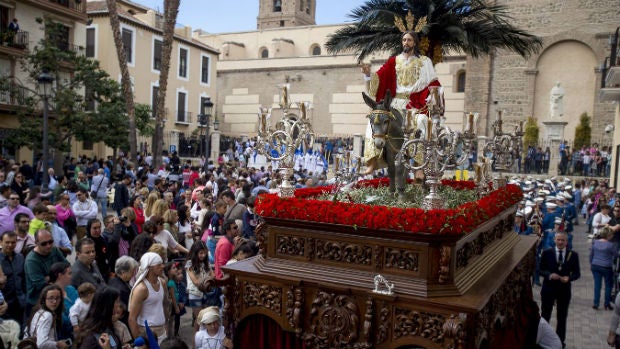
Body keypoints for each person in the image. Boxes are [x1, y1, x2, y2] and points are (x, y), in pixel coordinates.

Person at [361, 30, 441, 173]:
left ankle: (419, 167)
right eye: (404, 40)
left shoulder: (424, 62)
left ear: (414, 42)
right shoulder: (394, 61)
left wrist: (432, 97)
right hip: (394, 104)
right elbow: (378, 79)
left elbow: (433, 83)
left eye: (409, 40)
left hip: (414, 105)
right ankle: (372, 161)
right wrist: (368, 75)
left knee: (422, 120)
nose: (406, 42)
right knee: (373, 120)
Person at [539, 230, 580, 348]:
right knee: (545, 316)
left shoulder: (573, 255)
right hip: (548, 289)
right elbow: (540, 269)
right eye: (558, 239)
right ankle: (542, 341)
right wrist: (549, 275)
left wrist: (569, 278)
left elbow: (577, 273)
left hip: (564, 291)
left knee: (562, 318)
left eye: (563, 240)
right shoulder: (547, 253)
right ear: (554, 240)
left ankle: (560, 342)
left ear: (567, 242)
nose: (560, 242)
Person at [25, 229, 68, 318]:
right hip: (38, 301)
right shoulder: (31, 261)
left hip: (56, 296)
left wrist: (48, 277)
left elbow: (67, 266)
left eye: (50, 242)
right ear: (36, 242)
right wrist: (57, 275)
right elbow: (40, 284)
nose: (48, 246)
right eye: (44, 243)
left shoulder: (55, 250)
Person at [128, 252, 166, 340]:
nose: (162, 267)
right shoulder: (141, 289)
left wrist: (166, 328)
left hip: (162, 332)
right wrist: (140, 341)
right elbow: (132, 319)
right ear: (150, 268)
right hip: (147, 334)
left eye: (162, 264)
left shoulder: (162, 282)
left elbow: (164, 306)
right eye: (158, 265)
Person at [27, 284, 70, 349]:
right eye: (51, 298)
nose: (55, 301)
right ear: (44, 299)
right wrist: (57, 344)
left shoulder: (38, 312)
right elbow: (41, 343)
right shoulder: (47, 315)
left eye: (57, 298)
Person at [185, 242, 216, 330]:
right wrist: (208, 281)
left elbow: (212, 275)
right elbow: (195, 281)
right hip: (195, 294)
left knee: (207, 317)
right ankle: (197, 340)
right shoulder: (189, 264)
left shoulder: (206, 263)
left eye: (204, 253)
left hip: (206, 293)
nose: (203, 255)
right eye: (201, 253)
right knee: (199, 319)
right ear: (195, 253)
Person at [0, 231, 26, 323]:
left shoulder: (20, 257)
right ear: (1, 242)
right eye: (7, 242)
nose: (10, 245)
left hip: (20, 302)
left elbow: (24, 278)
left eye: (13, 242)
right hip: (4, 304)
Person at [49, 261, 77, 341]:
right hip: (64, 337)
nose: (71, 276)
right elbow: (64, 321)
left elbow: (82, 304)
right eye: (69, 274)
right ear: (60, 276)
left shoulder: (70, 289)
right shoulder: (50, 295)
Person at [590, 227, 616, 310]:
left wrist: (591, 263)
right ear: (608, 235)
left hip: (595, 265)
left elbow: (591, 254)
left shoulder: (595, 242)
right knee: (608, 285)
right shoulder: (610, 245)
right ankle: (607, 303)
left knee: (597, 285)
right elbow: (616, 254)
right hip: (606, 266)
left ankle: (596, 303)